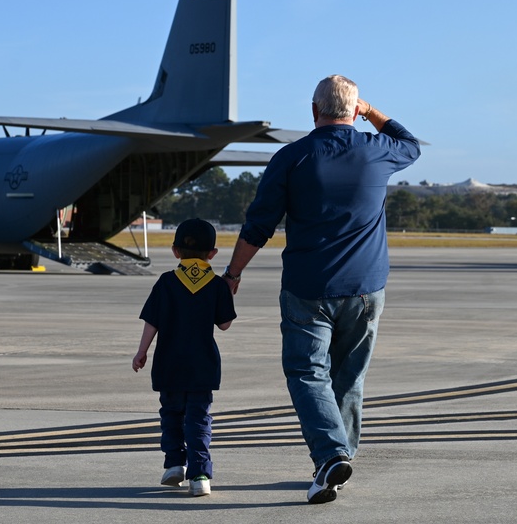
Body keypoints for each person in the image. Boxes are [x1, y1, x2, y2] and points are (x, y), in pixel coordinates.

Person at [223, 74, 420, 504]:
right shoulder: (377, 151)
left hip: (309, 289)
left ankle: (331, 455)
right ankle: (339, 459)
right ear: (353, 110)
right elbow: (411, 142)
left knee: (307, 372)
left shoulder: (291, 158)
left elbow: (259, 225)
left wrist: (233, 273)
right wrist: (372, 113)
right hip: (367, 289)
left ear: (314, 111)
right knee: (349, 377)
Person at [132, 218, 236, 498]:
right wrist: (228, 291)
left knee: (171, 415)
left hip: (169, 364)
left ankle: (174, 464)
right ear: (212, 254)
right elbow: (224, 324)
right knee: (198, 419)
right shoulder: (215, 285)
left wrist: (141, 352)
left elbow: (151, 322)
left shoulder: (166, 282)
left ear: (175, 251)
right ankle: (199, 474)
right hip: (202, 365)